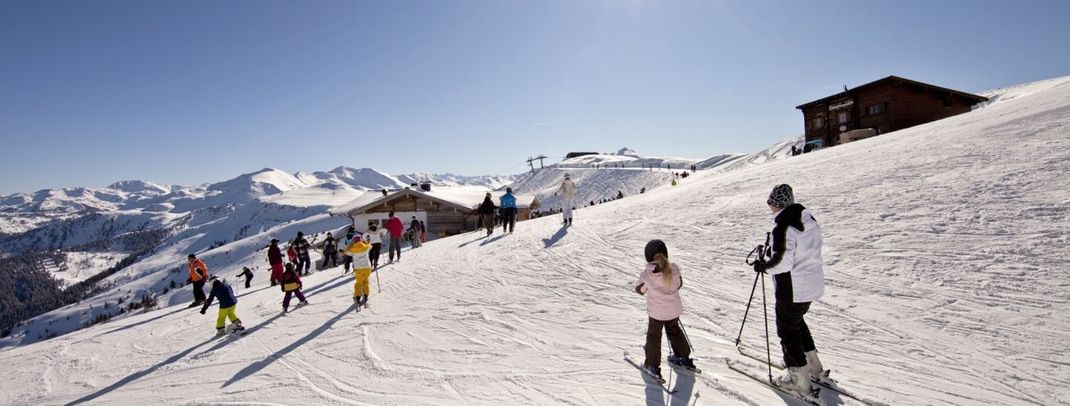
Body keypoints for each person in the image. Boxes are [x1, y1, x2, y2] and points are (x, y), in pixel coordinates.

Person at [752, 184, 827, 394]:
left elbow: (782, 263)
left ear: (776, 204)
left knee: (787, 330)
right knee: (796, 323)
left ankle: (798, 378)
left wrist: (763, 266)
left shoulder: (783, 226)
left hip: (793, 288)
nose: (770, 207)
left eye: (771, 203)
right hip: (811, 283)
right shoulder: (807, 220)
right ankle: (813, 366)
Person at [633, 239, 695, 382]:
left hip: (657, 313)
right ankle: (683, 357)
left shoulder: (647, 274)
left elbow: (640, 290)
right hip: (673, 310)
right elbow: (679, 284)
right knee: (674, 331)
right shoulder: (674, 269)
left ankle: (652, 366)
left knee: (654, 337)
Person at [346, 236, 374, 310]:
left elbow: (346, 252)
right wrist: (365, 242)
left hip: (358, 268)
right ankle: (366, 295)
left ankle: (357, 296)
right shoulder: (366, 247)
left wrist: (351, 245)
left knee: (359, 282)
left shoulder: (352, 249)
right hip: (367, 267)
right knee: (366, 281)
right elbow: (370, 246)